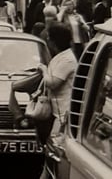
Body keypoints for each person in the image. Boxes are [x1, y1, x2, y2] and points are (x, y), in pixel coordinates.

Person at [38, 23, 78, 179]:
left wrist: (43, 70)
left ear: (54, 41)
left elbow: (53, 82)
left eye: (49, 38)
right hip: (57, 112)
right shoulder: (60, 57)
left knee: (55, 150)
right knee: (51, 150)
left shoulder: (68, 59)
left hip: (64, 114)